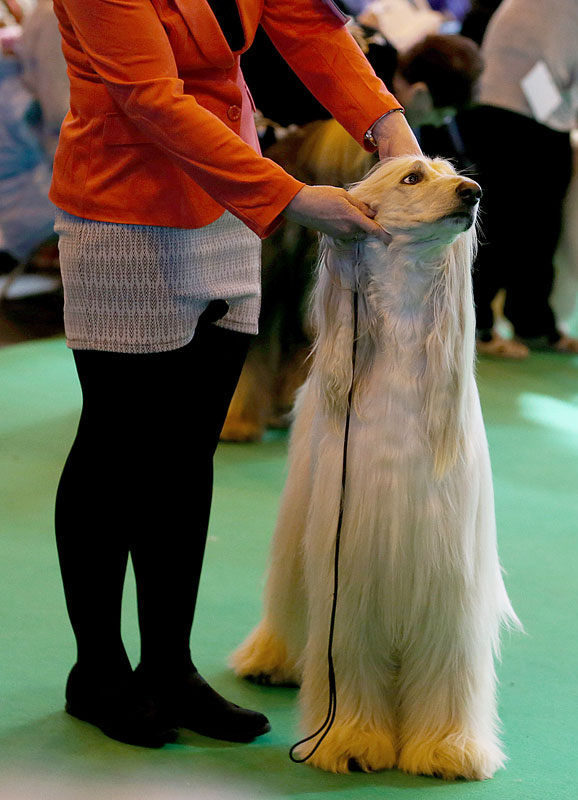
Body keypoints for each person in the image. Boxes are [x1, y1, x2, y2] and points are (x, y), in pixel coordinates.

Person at [49, 0, 420, 748]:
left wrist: (387, 127)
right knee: (117, 447)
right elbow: (150, 97)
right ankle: (97, 670)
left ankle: (168, 665)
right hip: (126, 207)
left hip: (225, 200)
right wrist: (286, 196)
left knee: (188, 451)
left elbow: (311, 24)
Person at [458, 0, 578, 359]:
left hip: (552, 92)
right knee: (503, 215)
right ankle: (476, 326)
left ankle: (532, 322)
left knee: (544, 219)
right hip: (515, 84)